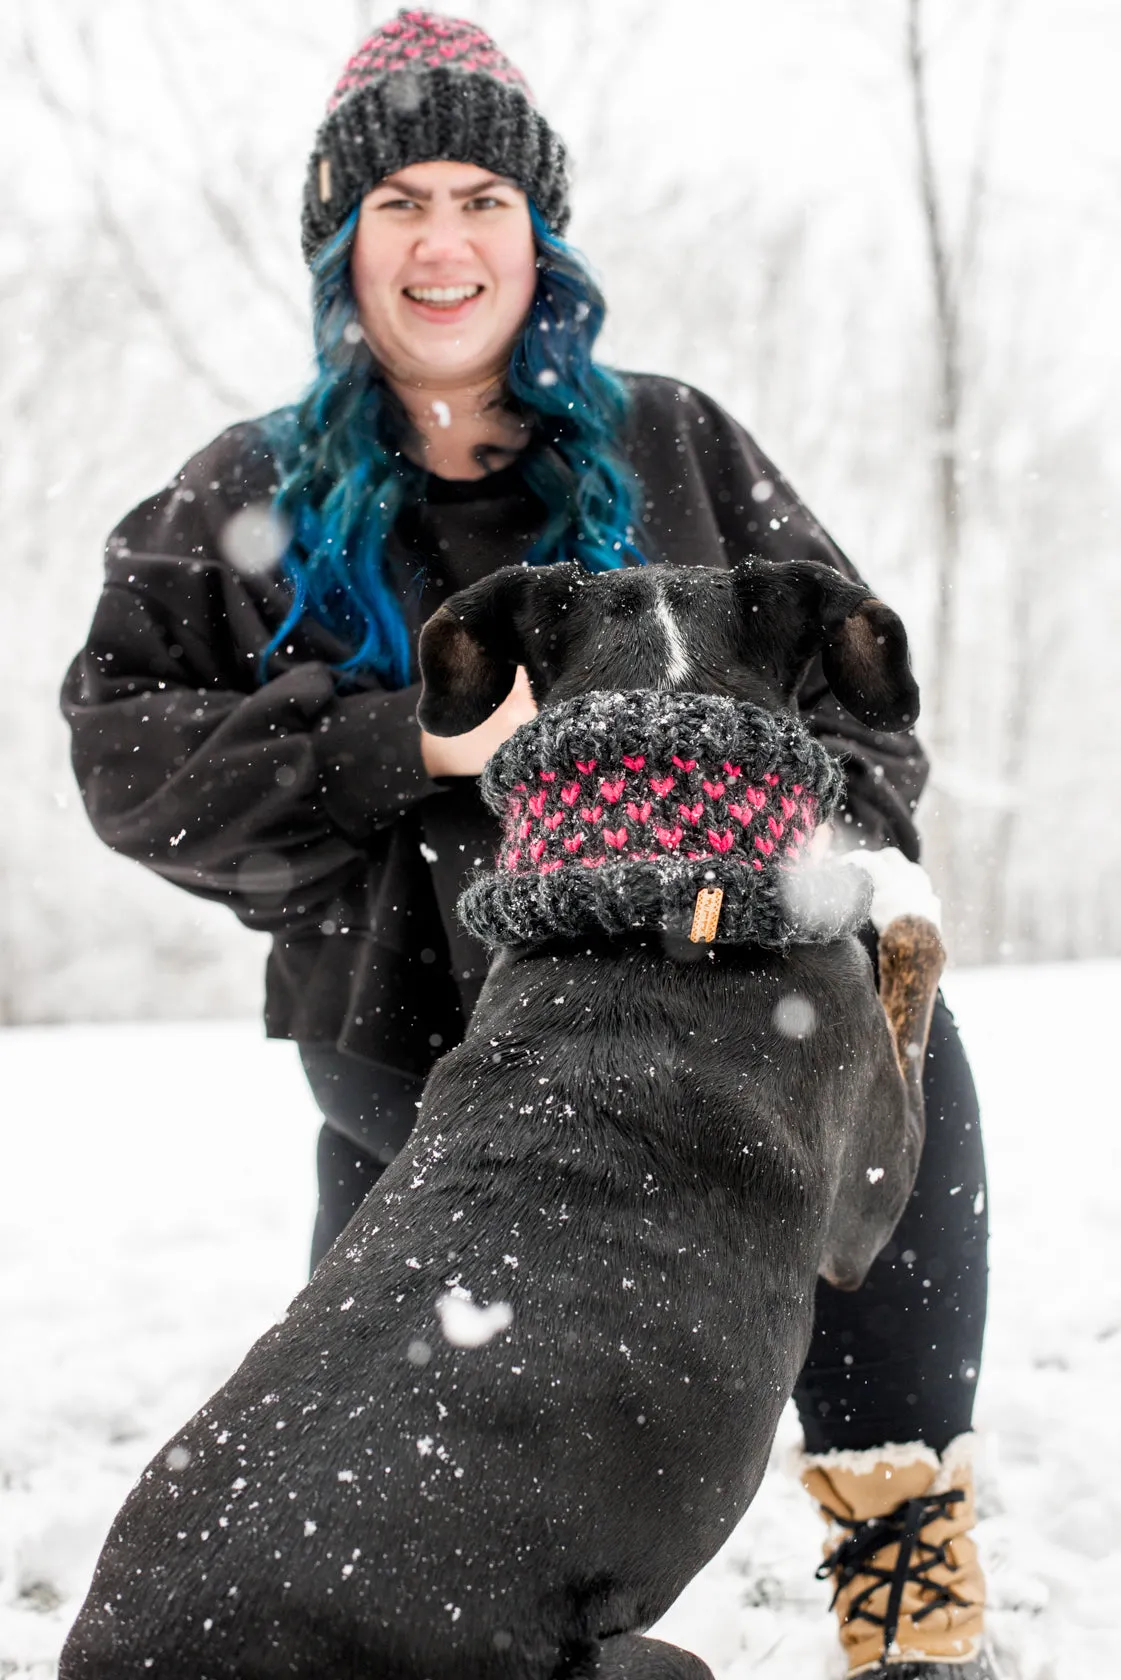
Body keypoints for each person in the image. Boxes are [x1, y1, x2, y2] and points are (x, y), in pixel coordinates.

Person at [61, 10, 992, 1676]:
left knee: (903, 1061)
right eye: (397, 198)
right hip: (414, 1054)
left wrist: (749, 831)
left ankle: (902, 1550)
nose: (441, 239)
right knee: (372, 1512)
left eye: (483, 196)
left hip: (716, 1032)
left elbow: (869, 722)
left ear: (538, 240)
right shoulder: (245, 495)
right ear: (342, 242)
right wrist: (400, 744)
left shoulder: (673, 445)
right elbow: (129, 755)